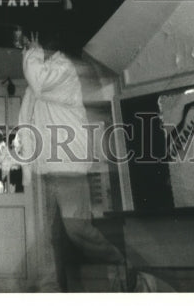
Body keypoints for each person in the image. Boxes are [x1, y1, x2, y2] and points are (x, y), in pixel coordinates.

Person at [18, 31, 132, 292]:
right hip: (45, 170)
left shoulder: (63, 68)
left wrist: (32, 50)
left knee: (77, 230)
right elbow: (26, 126)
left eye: (28, 42)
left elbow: (39, 81)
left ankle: (122, 268)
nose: (24, 48)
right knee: (45, 236)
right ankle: (50, 293)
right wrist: (27, 167)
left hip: (67, 168)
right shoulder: (38, 81)